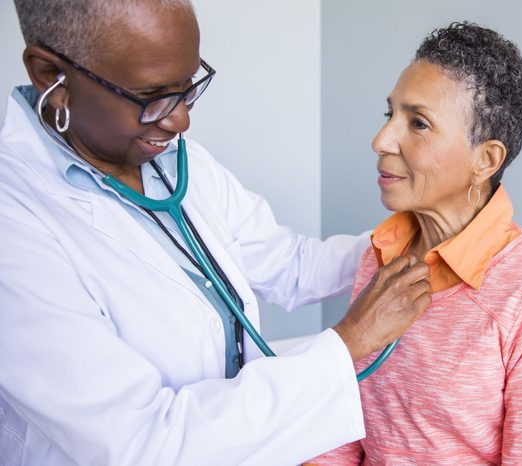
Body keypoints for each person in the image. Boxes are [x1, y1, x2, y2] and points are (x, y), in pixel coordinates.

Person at [0, 1, 432, 465]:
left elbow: (290, 265)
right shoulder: (16, 222)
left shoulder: (177, 163)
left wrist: (413, 240)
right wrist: (347, 343)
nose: (181, 120)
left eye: (188, 88)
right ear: (51, 75)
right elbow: (140, 445)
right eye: (152, 96)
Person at [308, 21, 522, 465]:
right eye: (390, 115)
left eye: (418, 123)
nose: (381, 140)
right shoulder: (379, 256)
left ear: (486, 159)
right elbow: (340, 434)